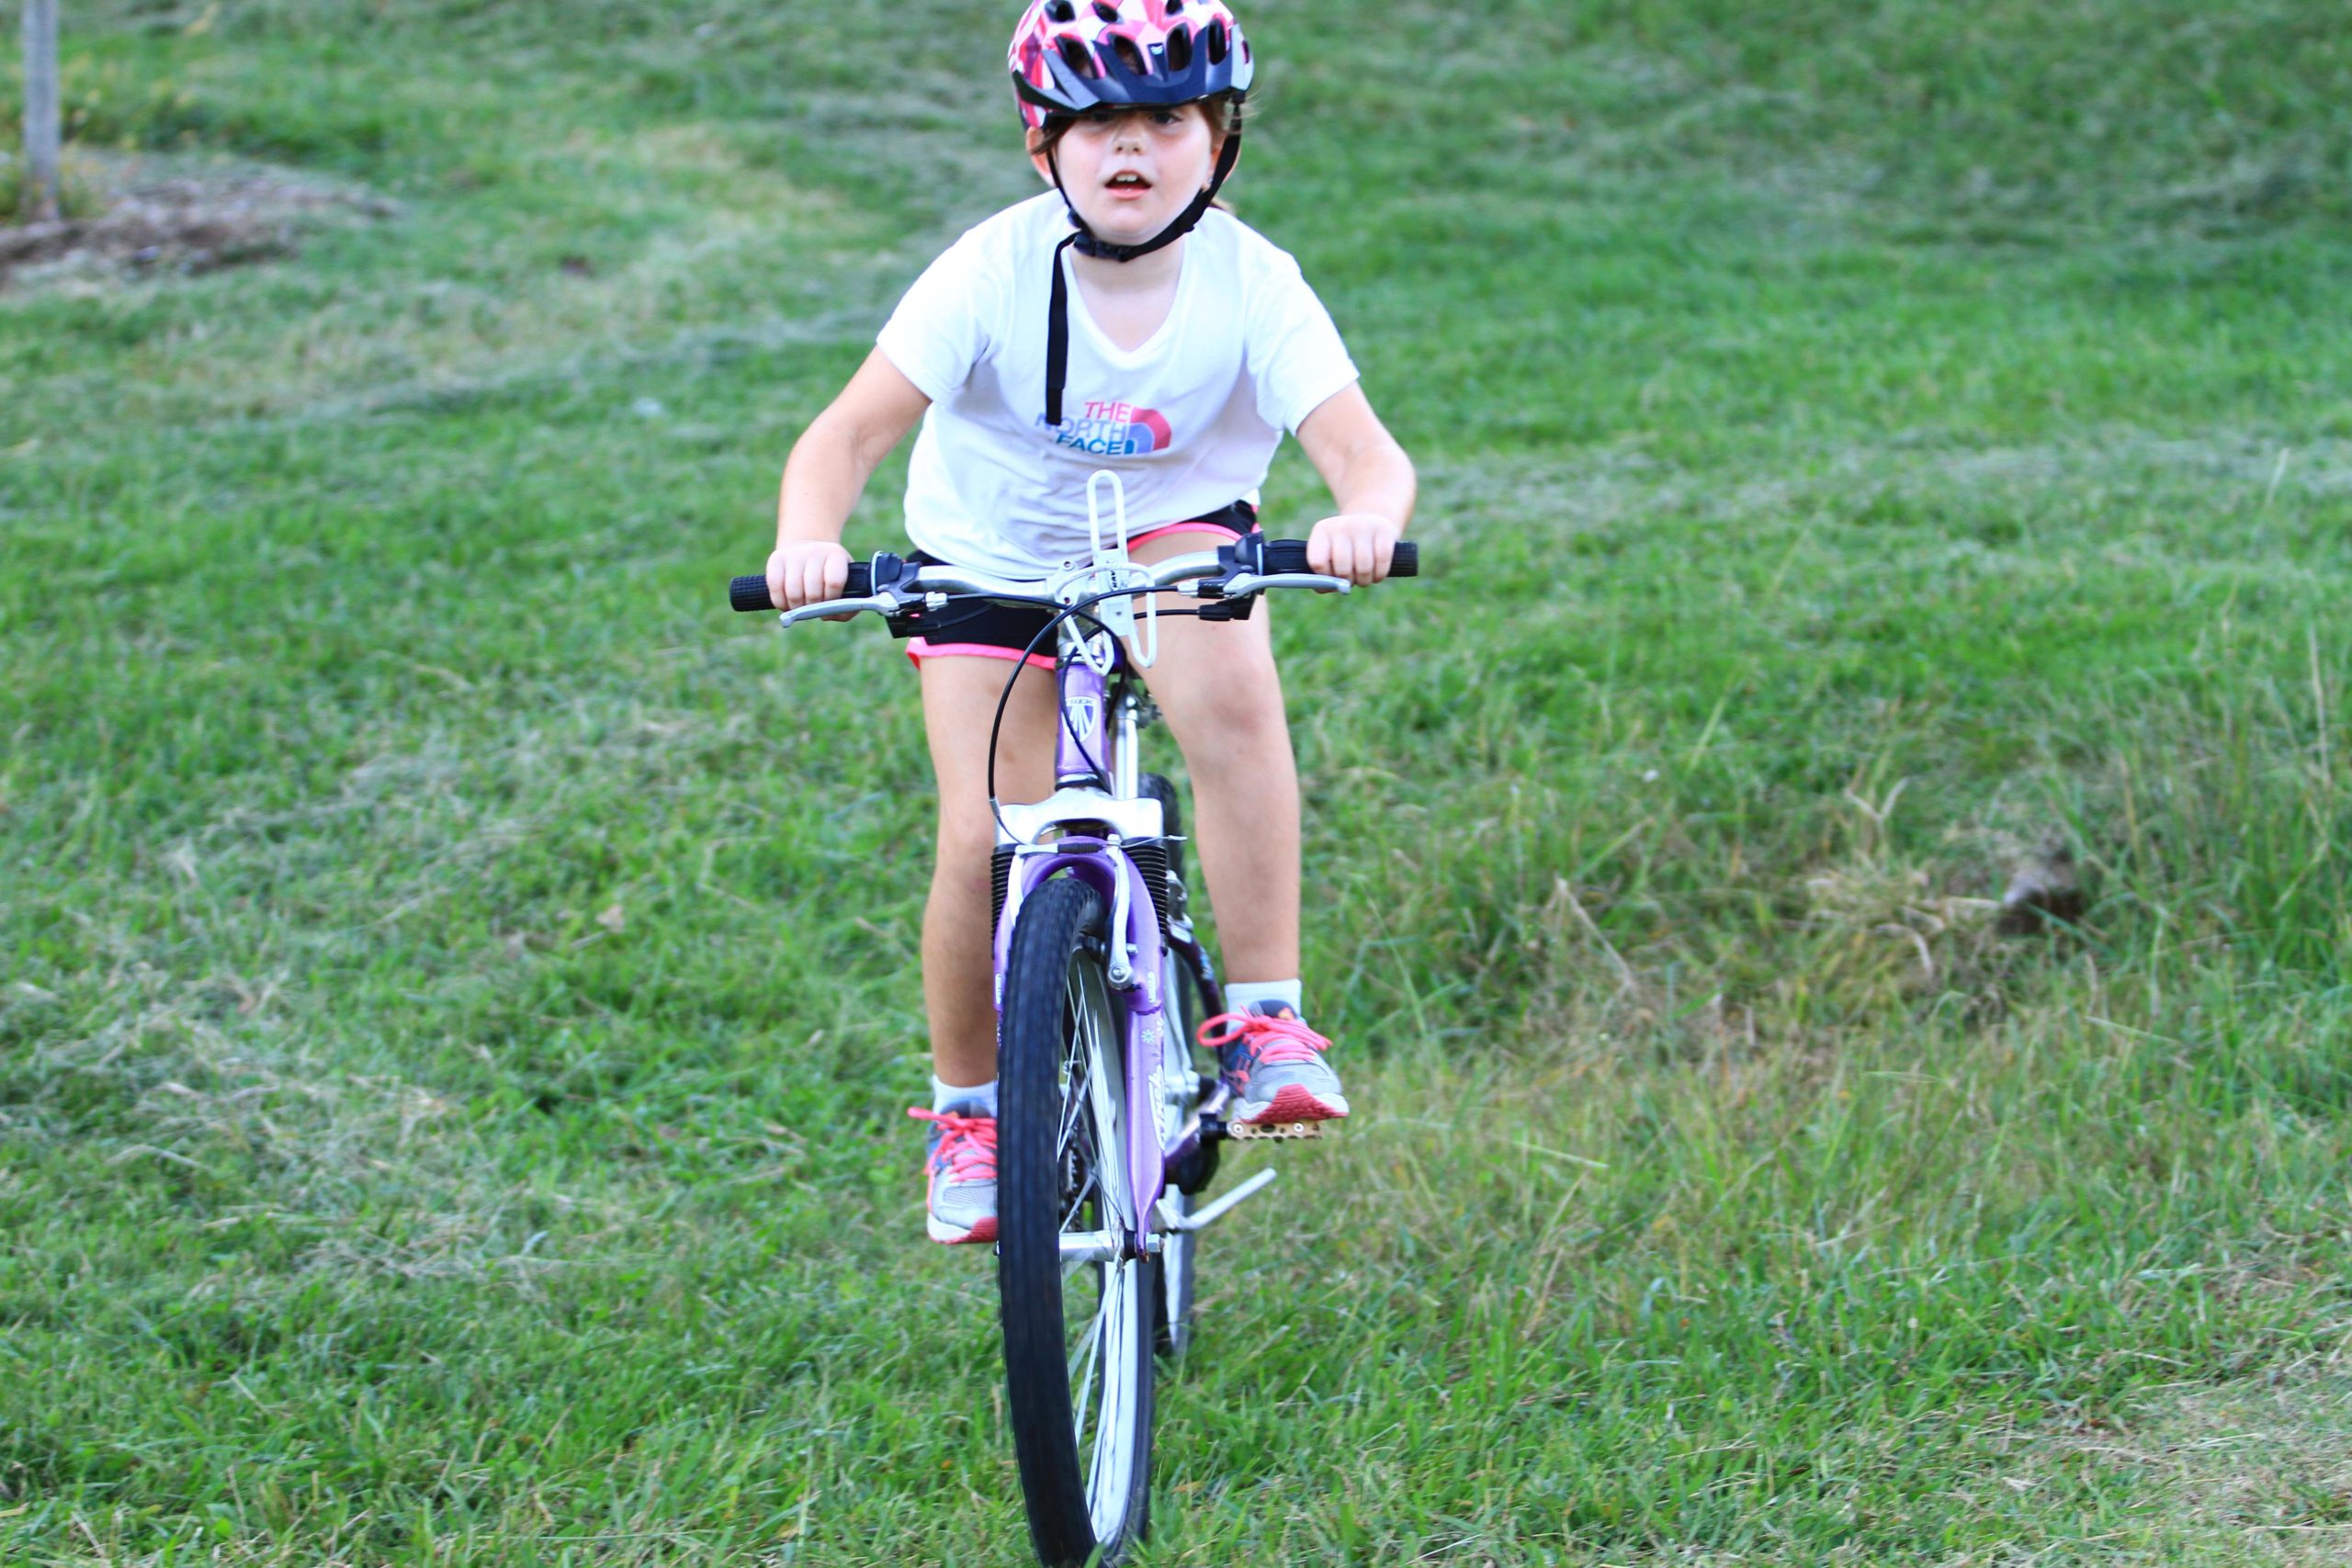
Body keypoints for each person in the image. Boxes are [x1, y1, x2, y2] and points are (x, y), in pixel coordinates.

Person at [764, 0, 1417, 1245]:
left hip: (1172, 531)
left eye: (1168, 118)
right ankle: (974, 1115)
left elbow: (1364, 454)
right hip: (993, 548)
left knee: (1227, 700)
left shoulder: (1253, 281)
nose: (1133, 146)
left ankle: (1265, 1024)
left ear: (1218, 141)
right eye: (1098, 119)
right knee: (984, 836)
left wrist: (1362, 520)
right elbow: (843, 435)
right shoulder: (990, 269)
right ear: (1040, 141)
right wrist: (809, 538)